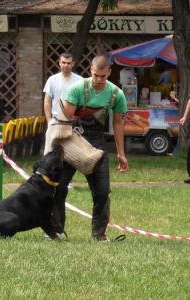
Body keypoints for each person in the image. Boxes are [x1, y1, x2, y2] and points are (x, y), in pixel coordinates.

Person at [51, 55, 129, 241]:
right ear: (90, 71)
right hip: (72, 140)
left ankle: (99, 234)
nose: (98, 80)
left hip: (96, 143)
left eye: (103, 76)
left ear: (109, 72)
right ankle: (56, 231)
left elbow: (118, 124)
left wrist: (121, 153)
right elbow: (64, 119)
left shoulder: (116, 94)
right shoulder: (77, 89)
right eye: (95, 75)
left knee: (102, 192)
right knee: (58, 187)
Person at [43, 52, 83, 154]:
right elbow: (47, 101)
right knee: (49, 152)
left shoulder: (80, 81)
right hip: (55, 121)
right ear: (59, 63)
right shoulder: (52, 80)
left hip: (73, 123)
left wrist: (78, 116)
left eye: (68, 63)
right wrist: (49, 120)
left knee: (71, 155)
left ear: (73, 64)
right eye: (63, 62)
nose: (66, 65)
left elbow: (84, 102)